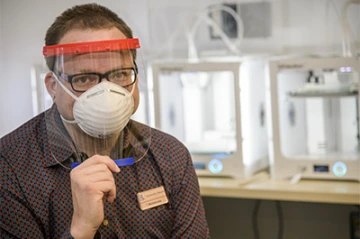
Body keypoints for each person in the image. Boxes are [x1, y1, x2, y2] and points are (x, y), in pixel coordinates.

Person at [0, 3, 210, 239]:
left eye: (120, 75)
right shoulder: (11, 166)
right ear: (52, 86)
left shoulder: (170, 156)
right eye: (85, 79)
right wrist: (80, 230)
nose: (106, 93)